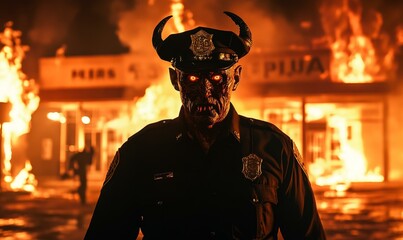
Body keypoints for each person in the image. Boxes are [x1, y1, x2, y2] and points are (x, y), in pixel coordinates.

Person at [85, 11, 326, 239]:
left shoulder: (274, 148)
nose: (205, 91)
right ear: (175, 80)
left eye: (217, 78)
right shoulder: (141, 151)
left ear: (236, 78)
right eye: (192, 78)